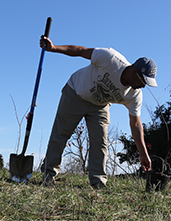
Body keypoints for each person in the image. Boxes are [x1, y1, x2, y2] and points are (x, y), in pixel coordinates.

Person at [39, 36, 158, 188]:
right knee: (60, 134)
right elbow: (81, 51)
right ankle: (48, 174)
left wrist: (143, 153)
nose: (143, 86)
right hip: (76, 93)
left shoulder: (135, 95)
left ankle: (98, 182)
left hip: (100, 106)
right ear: (134, 72)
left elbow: (136, 125)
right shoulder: (111, 58)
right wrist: (54, 48)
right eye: (143, 82)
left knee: (100, 141)